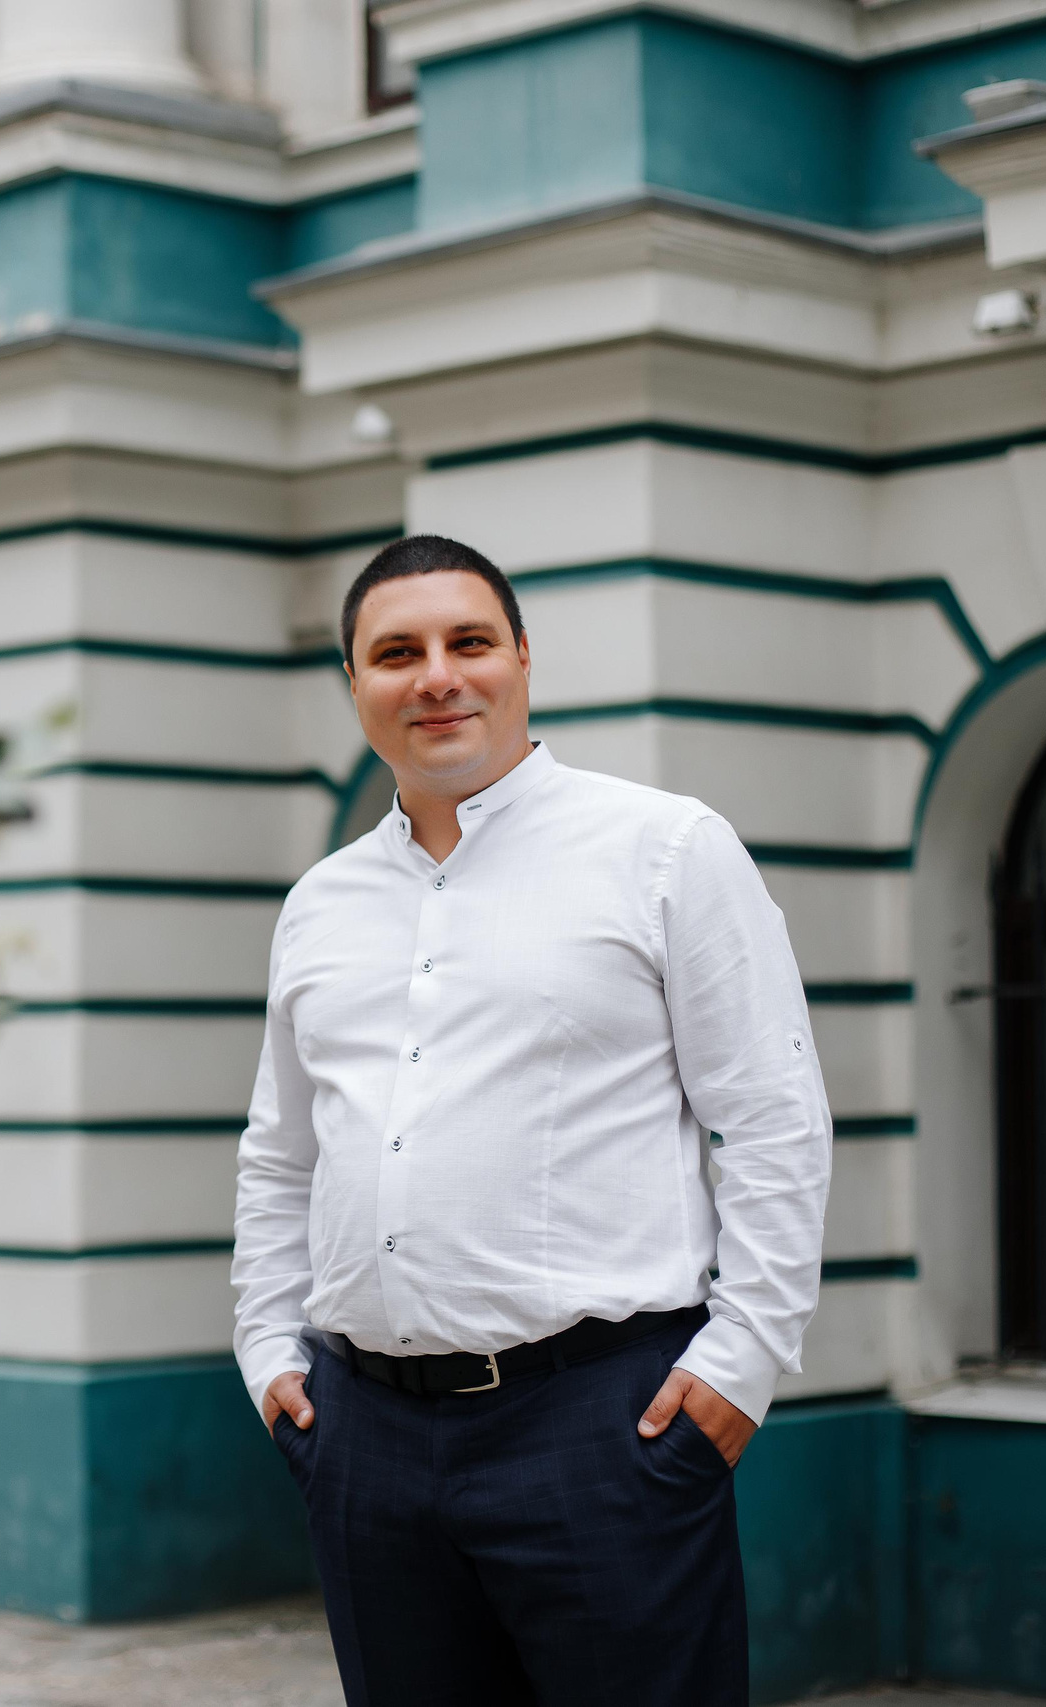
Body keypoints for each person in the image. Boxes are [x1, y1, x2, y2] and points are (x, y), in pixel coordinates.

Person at [231, 535, 833, 1706]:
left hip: (603, 1430)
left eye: (468, 643)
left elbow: (769, 1119)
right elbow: (280, 1155)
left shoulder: (662, 849)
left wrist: (742, 1364)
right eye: (395, 653)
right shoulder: (321, 903)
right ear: (354, 685)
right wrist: (267, 1353)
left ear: (520, 659)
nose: (437, 676)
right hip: (363, 1439)